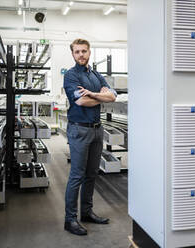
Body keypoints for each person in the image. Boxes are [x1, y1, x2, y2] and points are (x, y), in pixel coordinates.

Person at [63, 38, 117, 236]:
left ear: (89, 52)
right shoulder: (70, 76)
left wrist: (92, 94)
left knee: (91, 174)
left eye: (84, 51)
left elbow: (112, 96)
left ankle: (86, 213)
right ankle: (70, 219)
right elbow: (81, 102)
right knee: (77, 175)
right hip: (79, 130)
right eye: (77, 52)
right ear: (73, 54)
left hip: (96, 129)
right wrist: (99, 97)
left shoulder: (95, 75)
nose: (81, 55)